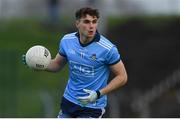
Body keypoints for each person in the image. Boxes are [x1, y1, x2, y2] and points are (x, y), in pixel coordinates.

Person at [22, 7, 128, 118]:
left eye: (94, 22)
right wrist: (36, 63)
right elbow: (57, 65)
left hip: (92, 106)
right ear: (77, 23)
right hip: (69, 101)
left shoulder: (108, 49)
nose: (91, 26)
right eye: (86, 22)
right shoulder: (67, 41)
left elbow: (122, 76)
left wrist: (98, 93)